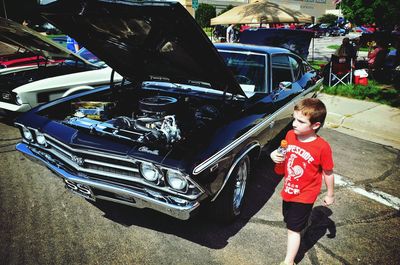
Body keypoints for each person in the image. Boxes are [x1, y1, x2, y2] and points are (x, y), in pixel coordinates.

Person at [270, 98, 335, 265]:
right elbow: (282, 152)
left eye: (300, 121)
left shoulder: (322, 147)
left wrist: (330, 194)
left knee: (293, 229)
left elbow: (328, 172)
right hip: (289, 189)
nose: (294, 124)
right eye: (294, 118)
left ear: (315, 125)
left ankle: (288, 261)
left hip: (306, 194)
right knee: (288, 219)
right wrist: (274, 155)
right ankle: (304, 222)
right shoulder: (290, 135)